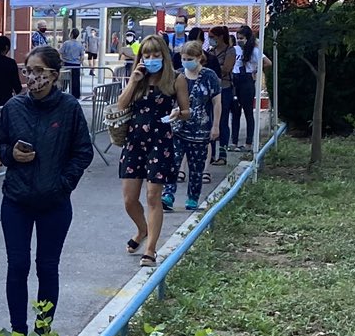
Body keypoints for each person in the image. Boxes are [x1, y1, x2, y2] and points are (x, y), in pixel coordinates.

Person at [0, 46, 93, 333]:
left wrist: (63, 184)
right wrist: (11, 154)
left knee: (47, 267)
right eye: (28, 70)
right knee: (17, 265)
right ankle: (18, 332)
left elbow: (83, 151)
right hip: (16, 200)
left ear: (54, 75)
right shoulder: (13, 108)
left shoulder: (69, 108)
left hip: (54, 202)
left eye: (39, 71)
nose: (32, 77)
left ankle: (43, 332)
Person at [113, 33, 188, 267]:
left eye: (156, 54)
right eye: (147, 55)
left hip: (160, 141)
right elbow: (121, 104)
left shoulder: (176, 79)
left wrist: (178, 113)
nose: (152, 59)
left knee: (153, 196)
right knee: (129, 200)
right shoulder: (138, 78)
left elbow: (187, 111)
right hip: (134, 142)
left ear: (164, 55)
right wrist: (134, 81)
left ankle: (151, 249)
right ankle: (142, 229)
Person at [168, 48, 222, 212]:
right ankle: (168, 194)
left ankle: (193, 198)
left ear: (199, 58)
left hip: (200, 130)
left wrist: (216, 125)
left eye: (189, 59)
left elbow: (217, 103)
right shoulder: (177, 75)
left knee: (196, 167)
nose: (186, 62)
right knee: (173, 162)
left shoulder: (209, 76)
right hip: (178, 128)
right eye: (183, 58)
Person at [229, 25, 263, 151]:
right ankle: (234, 142)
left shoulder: (254, 51)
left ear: (248, 38)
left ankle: (249, 143)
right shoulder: (234, 49)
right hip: (235, 80)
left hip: (247, 81)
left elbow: (267, 62)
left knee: (248, 112)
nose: (239, 40)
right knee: (235, 113)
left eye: (242, 38)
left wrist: (255, 70)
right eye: (238, 38)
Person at [59, 25, 85, 98]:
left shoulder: (66, 43)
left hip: (67, 64)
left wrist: (62, 60)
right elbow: (82, 56)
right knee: (76, 81)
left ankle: (62, 94)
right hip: (76, 65)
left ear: (71, 34)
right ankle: (76, 95)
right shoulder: (80, 45)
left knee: (64, 81)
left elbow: (60, 52)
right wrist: (80, 62)